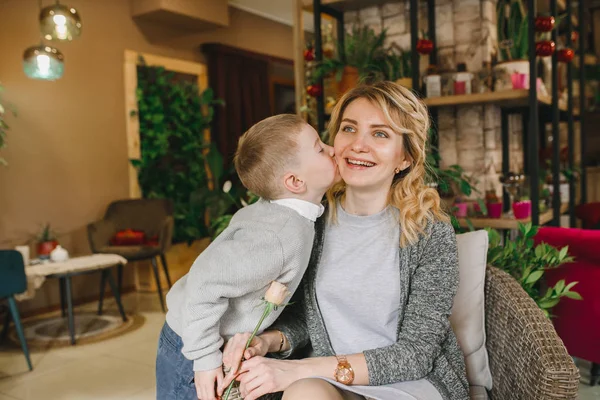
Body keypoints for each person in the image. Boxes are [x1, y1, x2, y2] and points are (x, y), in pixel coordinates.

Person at [219, 81, 469, 400]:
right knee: (304, 394)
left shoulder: (429, 233)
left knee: (302, 383)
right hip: (332, 381)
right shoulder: (313, 223)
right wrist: (268, 341)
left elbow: (415, 354)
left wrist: (299, 370)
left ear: (405, 158)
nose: (358, 145)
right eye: (349, 129)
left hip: (410, 384)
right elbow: (313, 321)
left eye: (380, 133)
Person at [156, 114, 338, 400]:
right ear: (294, 181)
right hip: (195, 347)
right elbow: (204, 283)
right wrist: (204, 359)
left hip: (203, 337)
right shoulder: (277, 235)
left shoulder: (285, 213)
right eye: (320, 147)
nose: (333, 149)